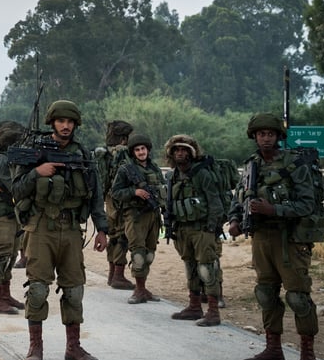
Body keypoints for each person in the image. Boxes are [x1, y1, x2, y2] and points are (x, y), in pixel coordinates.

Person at [8, 100, 108, 360]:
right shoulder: (34, 153)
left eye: (70, 121)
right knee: (38, 289)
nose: (66, 126)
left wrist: (102, 229)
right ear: (52, 122)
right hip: (41, 227)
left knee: (74, 290)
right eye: (61, 121)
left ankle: (73, 348)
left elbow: (96, 194)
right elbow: (16, 189)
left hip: (72, 229)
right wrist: (37, 173)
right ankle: (35, 347)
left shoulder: (81, 154)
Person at [228, 113, 321, 360]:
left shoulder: (294, 164)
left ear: (278, 137)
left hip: (290, 239)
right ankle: (273, 351)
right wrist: (235, 220)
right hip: (262, 238)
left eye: (270, 134)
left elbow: (307, 204)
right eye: (260, 134)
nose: (265, 138)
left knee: (298, 297)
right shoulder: (251, 165)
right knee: (266, 294)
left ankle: (308, 356)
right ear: (254, 137)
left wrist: (273, 209)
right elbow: (239, 198)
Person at [164, 134, 229, 326]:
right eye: (176, 150)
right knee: (190, 267)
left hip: (202, 229)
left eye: (184, 150)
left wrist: (211, 227)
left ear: (192, 153)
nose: (180, 153)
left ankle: (213, 311)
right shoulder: (172, 176)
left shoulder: (202, 174)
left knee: (207, 269)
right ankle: (194, 306)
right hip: (182, 229)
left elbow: (215, 202)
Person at [111, 134, 166, 305]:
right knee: (138, 254)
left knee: (149, 254)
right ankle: (138, 289)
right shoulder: (126, 169)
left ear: (148, 150)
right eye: (137, 149)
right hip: (135, 216)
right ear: (133, 152)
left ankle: (143, 288)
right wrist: (134, 192)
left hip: (153, 215)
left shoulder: (155, 168)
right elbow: (116, 192)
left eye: (143, 149)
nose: (141, 152)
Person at [0, 121, 29, 314]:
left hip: (13, 212)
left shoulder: (10, 159)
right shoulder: (1, 160)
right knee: (2, 255)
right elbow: (14, 186)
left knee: (12, 254)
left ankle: (5, 294)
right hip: (2, 212)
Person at [95, 120, 135, 290]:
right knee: (121, 235)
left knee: (112, 234)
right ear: (124, 138)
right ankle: (118, 274)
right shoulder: (123, 153)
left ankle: (112, 273)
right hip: (120, 199)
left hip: (108, 198)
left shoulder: (103, 153)